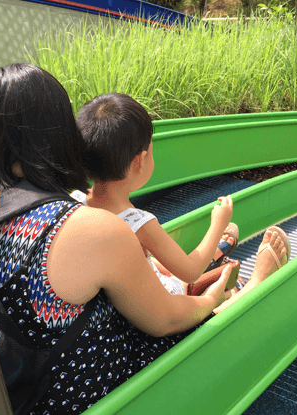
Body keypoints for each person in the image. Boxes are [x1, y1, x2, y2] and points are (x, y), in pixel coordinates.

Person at [0, 63, 289, 414]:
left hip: (3, 391)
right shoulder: (86, 227)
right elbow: (165, 322)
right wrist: (209, 302)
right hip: (76, 391)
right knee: (200, 310)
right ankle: (250, 290)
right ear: (54, 136)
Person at [73, 93, 252, 296]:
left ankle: (218, 253)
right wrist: (218, 223)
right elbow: (190, 271)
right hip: (163, 297)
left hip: (116, 293)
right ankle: (234, 283)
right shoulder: (138, 223)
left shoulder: (74, 201)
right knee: (188, 281)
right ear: (139, 161)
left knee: (155, 260)